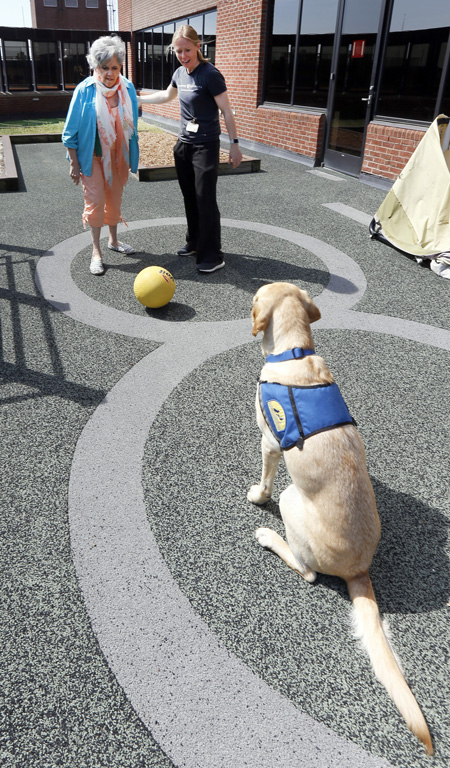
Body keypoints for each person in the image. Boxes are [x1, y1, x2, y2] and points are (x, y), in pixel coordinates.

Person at [138, 25, 242, 273]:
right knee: (190, 198)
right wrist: (138, 99)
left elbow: (226, 110)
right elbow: (166, 96)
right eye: (178, 51)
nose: (183, 55)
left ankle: (213, 255)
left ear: (198, 46)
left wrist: (235, 145)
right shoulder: (179, 73)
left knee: (205, 199)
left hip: (205, 145)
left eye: (187, 49)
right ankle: (194, 242)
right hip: (183, 144)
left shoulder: (210, 74)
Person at [62, 35, 139, 275]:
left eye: (115, 67)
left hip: (118, 157)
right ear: (95, 66)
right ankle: (96, 251)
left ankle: (113, 241)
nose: (110, 73)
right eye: (104, 67)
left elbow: (132, 124)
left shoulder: (127, 87)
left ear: (120, 67)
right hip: (92, 158)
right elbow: (69, 132)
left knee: (114, 202)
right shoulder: (85, 90)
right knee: (95, 204)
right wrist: (73, 163)